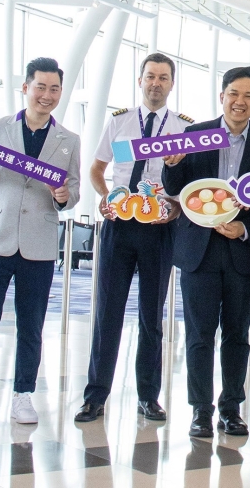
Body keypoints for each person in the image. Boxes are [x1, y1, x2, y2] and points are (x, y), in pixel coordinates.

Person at [0, 57, 80, 425]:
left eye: (54, 89)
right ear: (26, 87)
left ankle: (23, 394)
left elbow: (73, 191)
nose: (47, 95)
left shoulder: (69, 140)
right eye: (40, 87)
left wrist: (64, 196)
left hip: (39, 242)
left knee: (32, 325)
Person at [75, 53, 192, 424]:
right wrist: (104, 197)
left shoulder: (184, 128)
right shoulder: (119, 121)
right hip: (120, 225)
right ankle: (95, 397)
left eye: (163, 77)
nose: (156, 83)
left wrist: (177, 206)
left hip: (160, 228)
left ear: (171, 83)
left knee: (151, 317)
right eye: (150, 76)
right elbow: (97, 168)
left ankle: (148, 397)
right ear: (140, 80)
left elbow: (188, 182)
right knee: (107, 313)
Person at [161, 65, 250, 439]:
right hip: (199, 250)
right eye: (234, 93)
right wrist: (171, 166)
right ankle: (200, 410)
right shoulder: (194, 135)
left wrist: (245, 227)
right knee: (199, 334)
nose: (240, 101)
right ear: (222, 96)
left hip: (241, 250)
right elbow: (176, 187)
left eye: (248, 95)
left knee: (237, 335)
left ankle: (231, 408)